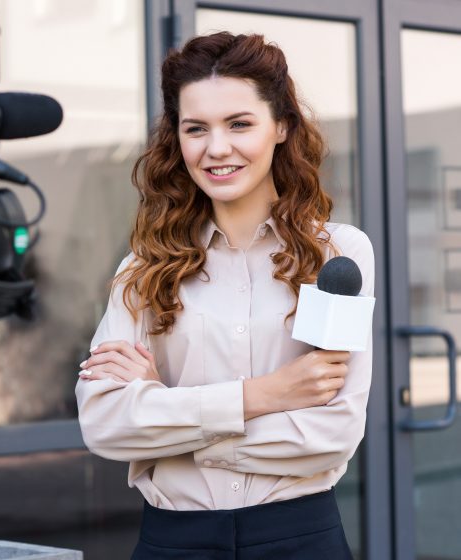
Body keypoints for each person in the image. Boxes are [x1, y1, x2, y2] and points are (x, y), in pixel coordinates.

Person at [75, 31, 374, 560]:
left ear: (281, 126)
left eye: (239, 124)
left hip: (300, 538)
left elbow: (332, 433)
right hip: (173, 541)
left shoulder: (337, 257)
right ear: (178, 139)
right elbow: (105, 425)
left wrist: (169, 417)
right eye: (196, 129)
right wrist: (267, 395)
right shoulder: (143, 270)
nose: (217, 149)